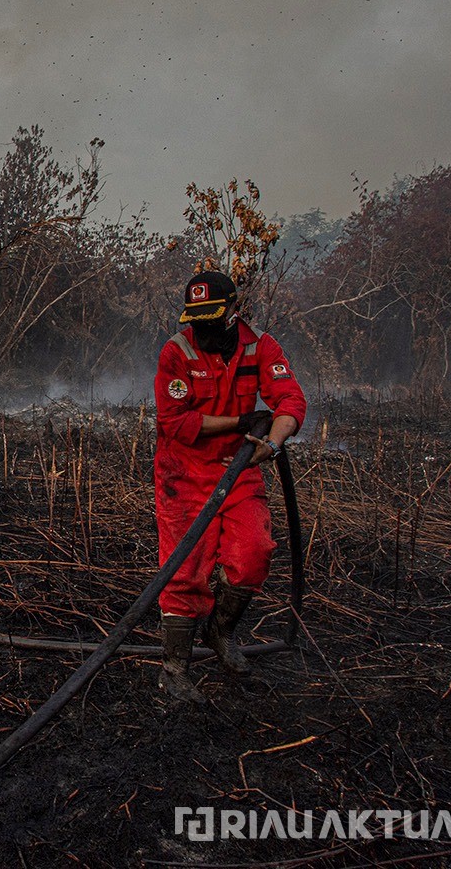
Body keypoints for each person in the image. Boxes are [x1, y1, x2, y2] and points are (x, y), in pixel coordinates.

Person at [153, 270, 306, 701]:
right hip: (183, 476)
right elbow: (174, 421)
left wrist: (271, 444)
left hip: (238, 470)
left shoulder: (260, 346)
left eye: (211, 319)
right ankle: (174, 670)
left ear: (233, 311)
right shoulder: (177, 351)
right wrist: (241, 421)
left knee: (253, 554)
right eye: (195, 320)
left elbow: (290, 399)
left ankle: (220, 632)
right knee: (184, 571)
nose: (202, 330)